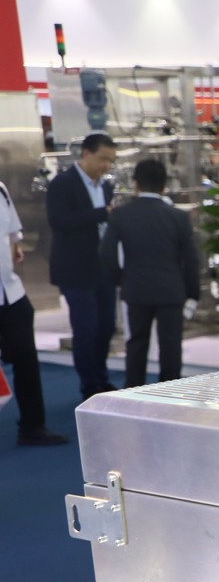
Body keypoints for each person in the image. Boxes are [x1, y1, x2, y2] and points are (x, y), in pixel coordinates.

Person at [96, 159, 199, 388]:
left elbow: (106, 253)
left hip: (136, 288)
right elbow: (191, 260)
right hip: (171, 290)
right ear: (164, 186)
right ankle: (170, 394)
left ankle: (134, 392)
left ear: (136, 184)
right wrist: (193, 294)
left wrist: (121, 279)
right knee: (171, 346)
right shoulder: (178, 217)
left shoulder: (121, 215)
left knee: (136, 344)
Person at [47, 133, 119, 400]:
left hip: (103, 268)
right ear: (86, 154)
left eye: (110, 161)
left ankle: (101, 377)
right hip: (75, 269)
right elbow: (58, 220)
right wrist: (102, 214)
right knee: (85, 328)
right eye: (102, 159)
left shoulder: (106, 187)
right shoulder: (63, 183)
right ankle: (89, 385)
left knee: (106, 327)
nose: (106, 166)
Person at [0, 176, 68, 444]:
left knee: (26, 359)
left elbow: (13, 232)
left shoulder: (1, 189)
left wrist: (15, 247)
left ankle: (32, 427)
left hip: (11, 292)